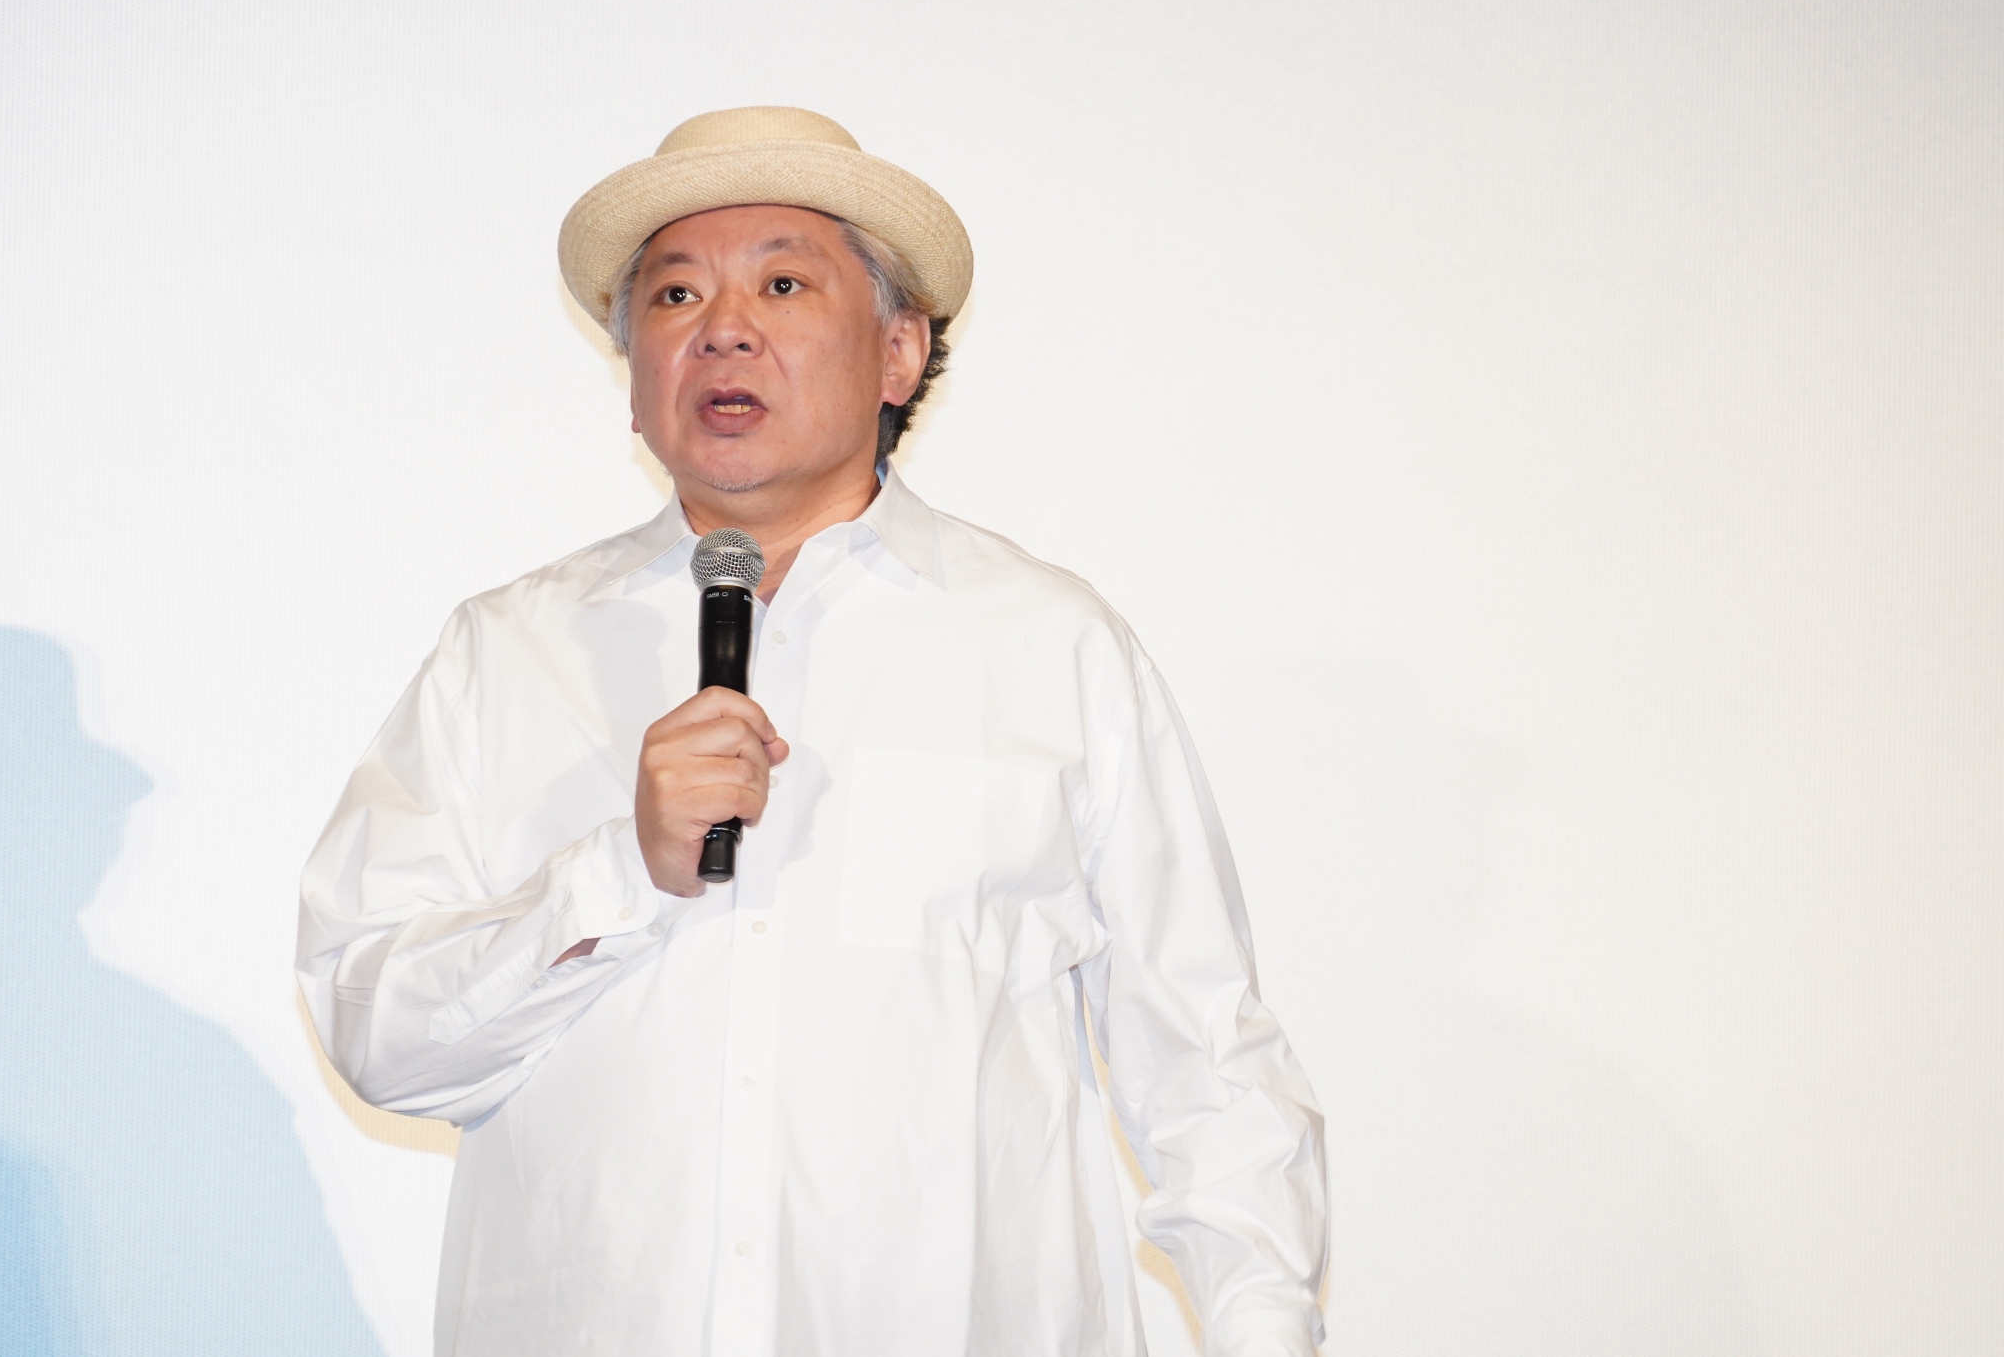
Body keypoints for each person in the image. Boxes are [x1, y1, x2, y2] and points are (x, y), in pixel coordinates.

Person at [296, 106, 1327, 1357]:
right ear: (634, 382)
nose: (723, 327)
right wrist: (619, 870)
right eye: (675, 295)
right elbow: (379, 1036)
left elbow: (1206, 1060)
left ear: (897, 352)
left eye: (782, 284)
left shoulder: (1049, 645)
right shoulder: (506, 653)